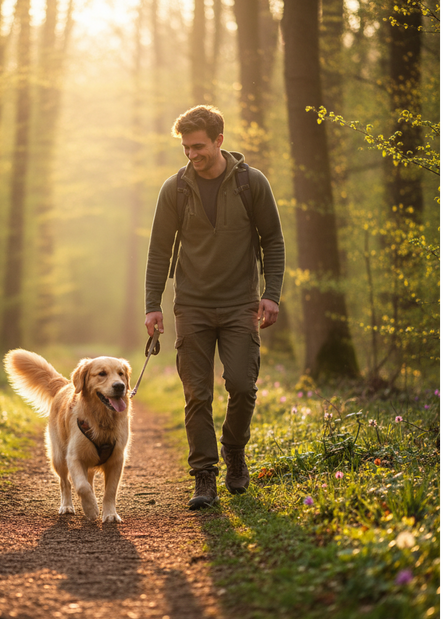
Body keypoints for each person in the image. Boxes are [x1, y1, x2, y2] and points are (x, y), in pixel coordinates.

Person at [144, 105, 285, 510]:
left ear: (220, 140)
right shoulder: (175, 189)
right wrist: (153, 305)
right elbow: (158, 251)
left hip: (241, 302)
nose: (192, 154)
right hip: (192, 305)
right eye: (186, 147)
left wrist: (271, 293)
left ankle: (234, 450)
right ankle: (204, 475)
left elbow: (273, 241)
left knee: (242, 384)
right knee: (197, 394)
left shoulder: (251, 183)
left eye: (199, 146)